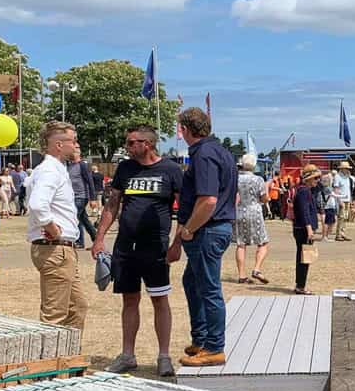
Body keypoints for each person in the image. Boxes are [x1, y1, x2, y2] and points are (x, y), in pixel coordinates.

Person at [91, 124, 184, 376]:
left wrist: (177, 244)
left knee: (159, 299)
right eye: (127, 142)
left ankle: (164, 357)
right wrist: (99, 238)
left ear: (148, 144)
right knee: (129, 299)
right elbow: (113, 204)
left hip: (156, 247)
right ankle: (127, 355)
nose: (128, 147)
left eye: (133, 142)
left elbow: (184, 209)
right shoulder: (125, 168)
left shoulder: (171, 170)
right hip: (125, 246)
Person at [171, 107, 236, 367]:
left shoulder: (203, 154)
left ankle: (214, 347)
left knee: (209, 289)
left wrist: (188, 229)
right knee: (192, 282)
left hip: (207, 230)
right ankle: (201, 339)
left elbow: (208, 200)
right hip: (216, 227)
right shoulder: (221, 151)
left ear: (185, 130)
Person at [26, 122, 88, 332]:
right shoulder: (50, 170)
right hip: (55, 249)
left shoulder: (54, 169)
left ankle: (69, 351)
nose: (76, 145)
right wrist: (52, 228)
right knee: (55, 314)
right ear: (59, 145)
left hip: (60, 249)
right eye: (73, 140)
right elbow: (37, 204)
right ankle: (48, 354)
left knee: (76, 307)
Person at [233, 152, 271, 285]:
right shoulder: (258, 180)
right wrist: (267, 195)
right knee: (263, 242)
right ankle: (257, 269)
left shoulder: (236, 179)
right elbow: (263, 198)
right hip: (255, 211)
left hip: (239, 211)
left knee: (241, 244)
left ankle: (241, 275)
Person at [291, 163, 321, 295]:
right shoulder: (304, 191)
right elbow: (304, 211)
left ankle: (300, 284)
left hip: (301, 228)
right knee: (305, 258)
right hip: (303, 229)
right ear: (308, 179)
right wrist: (309, 229)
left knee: (304, 257)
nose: (317, 181)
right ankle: (300, 286)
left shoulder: (305, 190)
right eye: (315, 178)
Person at [67, 144, 98, 248]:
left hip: (81, 196)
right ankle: (96, 239)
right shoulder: (69, 166)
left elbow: (90, 182)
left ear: (78, 152)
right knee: (84, 220)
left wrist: (93, 199)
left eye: (74, 148)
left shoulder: (83, 165)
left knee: (73, 217)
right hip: (72, 197)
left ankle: (79, 241)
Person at [332, 160, 354, 241]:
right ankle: (338, 235)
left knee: (345, 217)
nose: (347, 170)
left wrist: (350, 200)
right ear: (342, 169)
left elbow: (348, 189)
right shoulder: (337, 176)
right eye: (346, 168)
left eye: (348, 168)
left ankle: (343, 233)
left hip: (347, 199)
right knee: (341, 217)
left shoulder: (347, 177)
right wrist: (339, 200)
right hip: (341, 199)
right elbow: (336, 189)